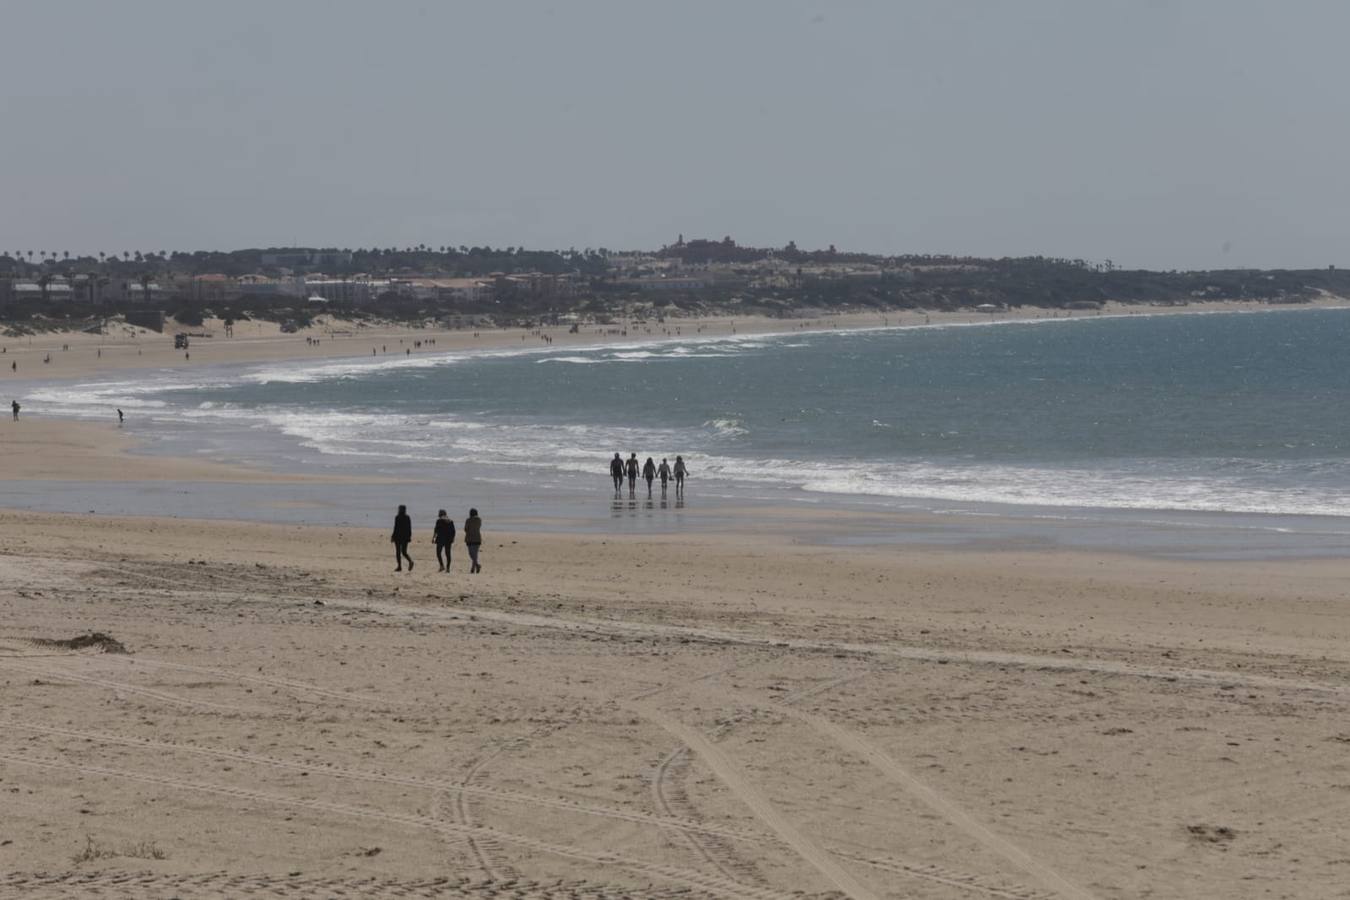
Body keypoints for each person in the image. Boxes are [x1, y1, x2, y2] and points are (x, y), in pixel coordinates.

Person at [391, 504, 414, 572]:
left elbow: (396, 528)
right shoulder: (407, 517)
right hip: (405, 537)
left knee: (398, 552)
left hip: (398, 537)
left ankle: (399, 566)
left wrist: (393, 536)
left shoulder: (397, 517)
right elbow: (409, 528)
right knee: (404, 552)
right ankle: (410, 561)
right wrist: (409, 536)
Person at [464, 507, 483, 574]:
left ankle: (474, 567)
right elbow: (479, 527)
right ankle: (475, 567)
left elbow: (466, 529)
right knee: (475, 554)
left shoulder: (468, 520)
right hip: (477, 538)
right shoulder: (479, 520)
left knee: (471, 554)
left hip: (470, 538)